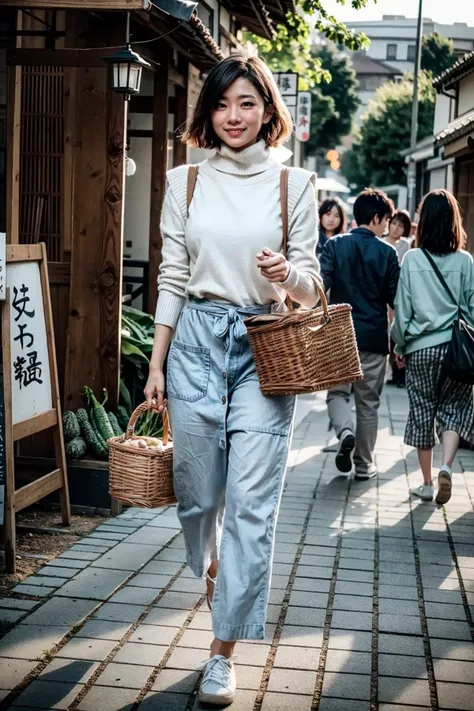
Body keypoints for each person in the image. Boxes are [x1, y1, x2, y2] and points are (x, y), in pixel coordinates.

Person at [144, 53, 320, 707]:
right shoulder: (183, 181)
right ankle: (215, 564)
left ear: (267, 111)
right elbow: (169, 276)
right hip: (193, 340)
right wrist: (156, 362)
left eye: (247, 102)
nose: (233, 115)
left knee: (253, 507)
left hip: (263, 348)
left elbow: (312, 284)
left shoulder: (293, 186)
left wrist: (288, 277)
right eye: (222, 104)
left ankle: (223, 651)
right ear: (207, 113)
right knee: (195, 498)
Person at [391, 189, 474, 505]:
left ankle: (426, 484)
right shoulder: (465, 261)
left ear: (423, 221)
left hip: (421, 349)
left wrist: (399, 344)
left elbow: (403, 308)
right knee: (455, 409)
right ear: (454, 222)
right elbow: (472, 308)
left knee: (422, 411)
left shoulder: (412, 259)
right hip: (456, 350)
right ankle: (447, 467)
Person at [319, 189, 399, 480]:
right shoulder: (387, 252)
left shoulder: (336, 245)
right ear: (376, 218)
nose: (387, 227)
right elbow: (395, 300)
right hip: (374, 340)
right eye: (386, 221)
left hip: (339, 336)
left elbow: (320, 288)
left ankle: (345, 432)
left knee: (337, 393)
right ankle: (364, 465)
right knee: (368, 404)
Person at [384, 210, 412, 387]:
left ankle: (399, 373)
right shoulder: (381, 241)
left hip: (399, 294)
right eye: (394, 223)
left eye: (401, 225)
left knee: (397, 330)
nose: (396, 228)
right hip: (382, 292)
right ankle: (391, 371)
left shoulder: (407, 246)